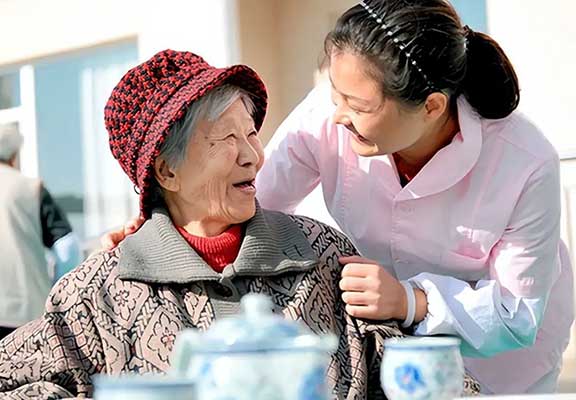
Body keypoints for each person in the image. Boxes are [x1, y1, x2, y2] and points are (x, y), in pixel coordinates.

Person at [103, 1, 574, 394]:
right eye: (335, 95)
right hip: (388, 355)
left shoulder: (524, 162)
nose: (339, 117)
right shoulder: (329, 114)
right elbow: (240, 199)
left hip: (503, 367)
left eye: (360, 106)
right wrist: (160, 227)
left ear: (431, 106)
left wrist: (410, 301)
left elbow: (517, 315)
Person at [0, 50, 480, 399]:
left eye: (251, 133)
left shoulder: (323, 253)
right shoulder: (96, 294)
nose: (253, 155)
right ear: (166, 172)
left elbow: (419, 376)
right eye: (225, 139)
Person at [0, 124, 81, 341]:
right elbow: (67, 247)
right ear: (14, 156)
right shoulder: (28, 188)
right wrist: (57, 294)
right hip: (23, 314)